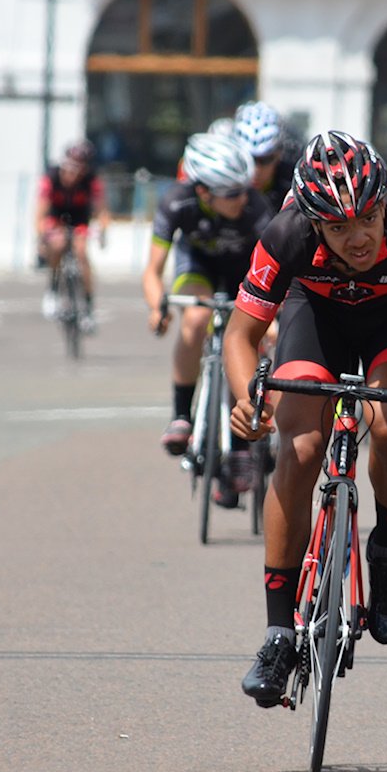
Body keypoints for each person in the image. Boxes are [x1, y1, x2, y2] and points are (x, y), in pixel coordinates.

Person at [222, 129, 387, 707]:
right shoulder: (285, 234)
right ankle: (278, 634)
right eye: (338, 228)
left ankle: (385, 549)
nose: (357, 237)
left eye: (367, 219)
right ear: (313, 224)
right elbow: (241, 336)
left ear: (384, 204)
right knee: (302, 448)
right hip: (314, 314)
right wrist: (248, 400)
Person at [142, 131, 276, 502]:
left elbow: (277, 273)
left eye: (244, 188)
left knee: (251, 338)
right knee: (196, 321)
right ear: (203, 192)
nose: (242, 198)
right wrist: (158, 308)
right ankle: (182, 415)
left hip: (244, 274)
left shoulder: (256, 208)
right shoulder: (176, 203)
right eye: (232, 193)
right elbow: (153, 270)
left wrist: (273, 320)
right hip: (198, 267)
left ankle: (242, 442)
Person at [36, 139, 109, 333]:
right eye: (70, 168)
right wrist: (42, 237)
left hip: (79, 220)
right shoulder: (51, 178)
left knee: (81, 252)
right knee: (58, 244)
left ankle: (87, 306)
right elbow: (40, 214)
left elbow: (102, 211)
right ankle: (52, 289)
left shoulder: (91, 181)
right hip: (56, 217)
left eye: (79, 169)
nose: (73, 174)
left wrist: (103, 231)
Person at [232, 101, 295, 207]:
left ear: (279, 154)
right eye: (248, 159)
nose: (256, 169)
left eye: (265, 160)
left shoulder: (293, 183)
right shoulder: (220, 187)